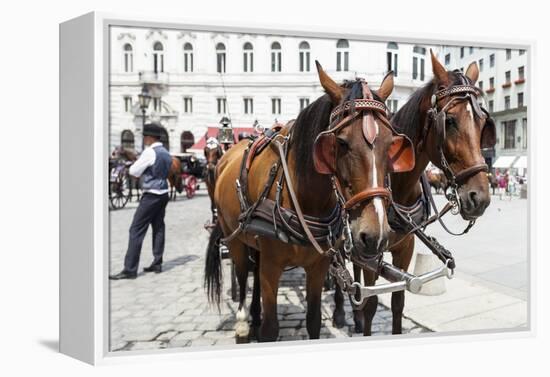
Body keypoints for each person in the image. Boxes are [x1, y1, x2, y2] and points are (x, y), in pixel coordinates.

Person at [110, 123, 172, 280]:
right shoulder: (166, 152)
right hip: (163, 192)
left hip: (151, 194)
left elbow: (133, 171)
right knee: (158, 227)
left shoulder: (150, 152)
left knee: (136, 229)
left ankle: (130, 269)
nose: (144, 139)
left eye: (145, 136)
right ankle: (157, 262)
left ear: (150, 137)